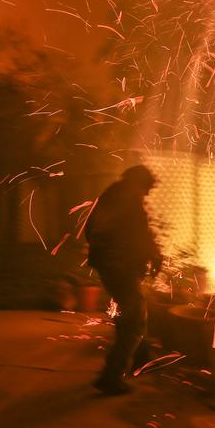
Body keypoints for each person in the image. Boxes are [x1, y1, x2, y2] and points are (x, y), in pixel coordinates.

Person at [85, 164, 163, 395]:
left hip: (113, 265)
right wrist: (152, 255)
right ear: (138, 182)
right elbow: (137, 233)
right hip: (119, 267)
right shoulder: (126, 198)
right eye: (147, 188)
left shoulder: (115, 194)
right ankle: (111, 376)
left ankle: (142, 358)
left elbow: (92, 231)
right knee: (135, 317)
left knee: (132, 311)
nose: (148, 193)